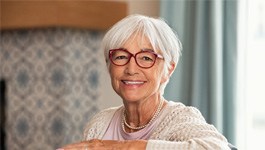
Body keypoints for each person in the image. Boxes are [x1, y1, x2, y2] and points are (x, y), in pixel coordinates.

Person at [57, 14, 231, 150]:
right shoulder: (100, 123)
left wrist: (125, 147)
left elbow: (218, 148)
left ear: (168, 69)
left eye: (146, 58)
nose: (131, 69)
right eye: (121, 56)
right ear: (109, 65)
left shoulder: (179, 119)